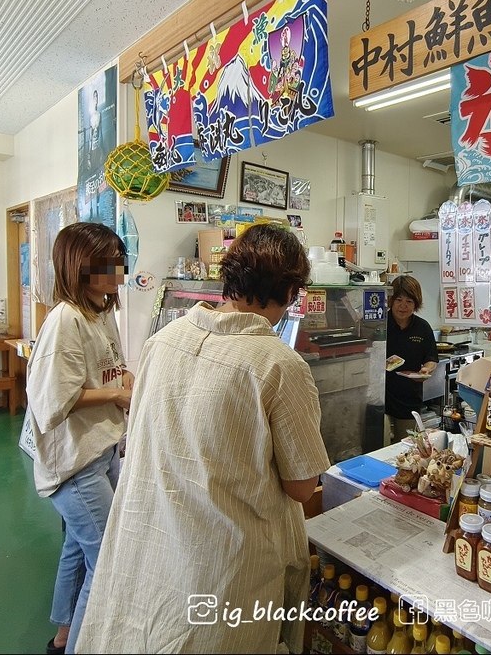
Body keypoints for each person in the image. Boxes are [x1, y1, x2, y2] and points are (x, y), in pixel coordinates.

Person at [77, 223, 330, 654]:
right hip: (225, 569)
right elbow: (302, 486)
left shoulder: (163, 341)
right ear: (290, 291)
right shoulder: (280, 365)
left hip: (151, 546)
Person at [24, 222, 133, 655]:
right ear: (78, 266)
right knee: (105, 558)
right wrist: (116, 395)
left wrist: (125, 379)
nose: (118, 272)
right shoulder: (65, 320)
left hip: (101, 449)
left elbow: (107, 368)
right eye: (108, 264)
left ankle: (63, 637)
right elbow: (53, 400)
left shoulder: (101, 311)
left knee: (76, 546)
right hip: (75, 463)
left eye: (120, 262)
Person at [384, 274, 439, 445]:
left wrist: (426, 370)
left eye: (409, 301)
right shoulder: (380, 324)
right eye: (398, 300)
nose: (403, 306)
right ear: (391, 300)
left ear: (416, 304)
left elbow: (431, 358)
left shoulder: (422, 327)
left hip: (409, 400)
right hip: (381, 399)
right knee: (380, 447)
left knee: (406, 448)